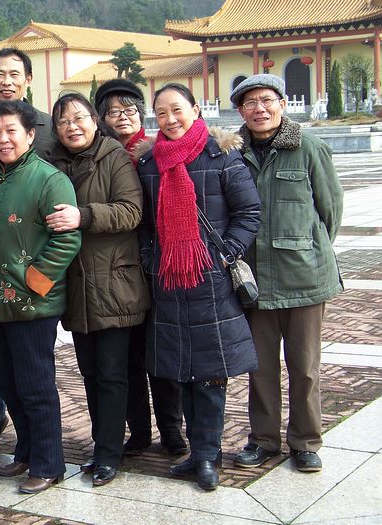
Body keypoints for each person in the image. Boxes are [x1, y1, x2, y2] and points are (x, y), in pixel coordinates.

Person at [136, 83, 261, 491]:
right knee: (181, 371)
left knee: (210, 374)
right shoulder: (149, 163)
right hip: (169, 283)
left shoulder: (221, 155)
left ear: (195, 110)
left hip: (212, 284)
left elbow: (249, 212)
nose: (170, 119)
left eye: (177, 110)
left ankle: (207, 455)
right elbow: (143, 225)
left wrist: (225, 256)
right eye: (162, 112)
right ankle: (198, 452)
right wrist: (151, 260)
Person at [230, 74, 344, 473]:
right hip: (255, 282)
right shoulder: (234, 153)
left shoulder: (309, 148)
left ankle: (306, 442)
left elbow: (330, 212)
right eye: (250, 103)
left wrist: (307, 247)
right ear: (240, 111)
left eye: (266, 100)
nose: (259, 109)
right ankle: (263, 439)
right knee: (259, 367)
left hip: (304, 279)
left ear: (282, 104)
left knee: (305, 367)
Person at [0, 100, 81, 494]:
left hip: (32, 304)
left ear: (31, 135)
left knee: (36, 385)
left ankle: (49, 463)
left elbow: (66, 239)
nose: (3, 139)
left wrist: (35, 282)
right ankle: (26, 450)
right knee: (5, 381)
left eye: (11, 131)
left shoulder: (49, 179)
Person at [46, 92, 148, 486]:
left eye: (79, 118)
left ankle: (108, 453)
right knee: (89, 372)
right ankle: (106, 444)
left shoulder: (113, 156)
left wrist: (83, 216)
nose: (72, 127)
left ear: (94, 120)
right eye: (63, 121)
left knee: (111, 373)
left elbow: (131, 211)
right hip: (76, 284)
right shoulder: (52, 163)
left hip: (114, 282)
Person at [0, 49, 57, 449]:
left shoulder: (52, 127)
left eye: (14, 73)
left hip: (34, 270)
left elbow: (65, 217)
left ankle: (46, 456)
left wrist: (38, 280)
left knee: (33, 373)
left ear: (28, 79)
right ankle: (17, 441)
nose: (7, 80)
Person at [94, 79, 186, 457]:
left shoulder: (157, 153)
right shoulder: (99, 158)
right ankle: (139, 431)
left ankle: (172, 429)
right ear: (102, 119)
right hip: (118, 272)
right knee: (129, 357)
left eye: (129, 110)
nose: (123, 117)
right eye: (113, 112)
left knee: (161, 353)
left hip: (156, 267)